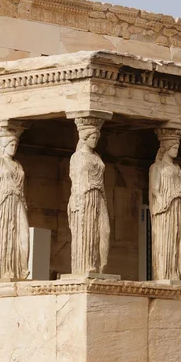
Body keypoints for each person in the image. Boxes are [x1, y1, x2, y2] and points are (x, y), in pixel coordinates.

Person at [0, 126, 30, 280]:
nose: (14, 148)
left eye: (16, 145)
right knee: (6, 236)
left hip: (18, 201)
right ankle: (5, 272)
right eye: (11, 145)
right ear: (3, 145)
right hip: (3, 204)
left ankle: (21, 270)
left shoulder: (18, 165)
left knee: (23, 236)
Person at [149, 129, 181, 281]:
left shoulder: (178, 168)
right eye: (174, 147)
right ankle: (166, 274)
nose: (176, 150)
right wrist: (162, 202)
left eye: (177, 147)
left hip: (180, 205)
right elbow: (154, 189)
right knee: (168, 239)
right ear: (166, 148)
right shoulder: (157, 167)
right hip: (166, 207)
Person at [68, 117, 110, 274]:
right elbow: (75, 180)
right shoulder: (77, 157)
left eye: (97, 138)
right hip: (84, 197)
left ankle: (101, 266)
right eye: (93, 137)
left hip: (99, 195)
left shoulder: (97, 157)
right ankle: (86, 267)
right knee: (87, 231)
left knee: (104, 231)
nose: (95, 141)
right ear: (84, 138)